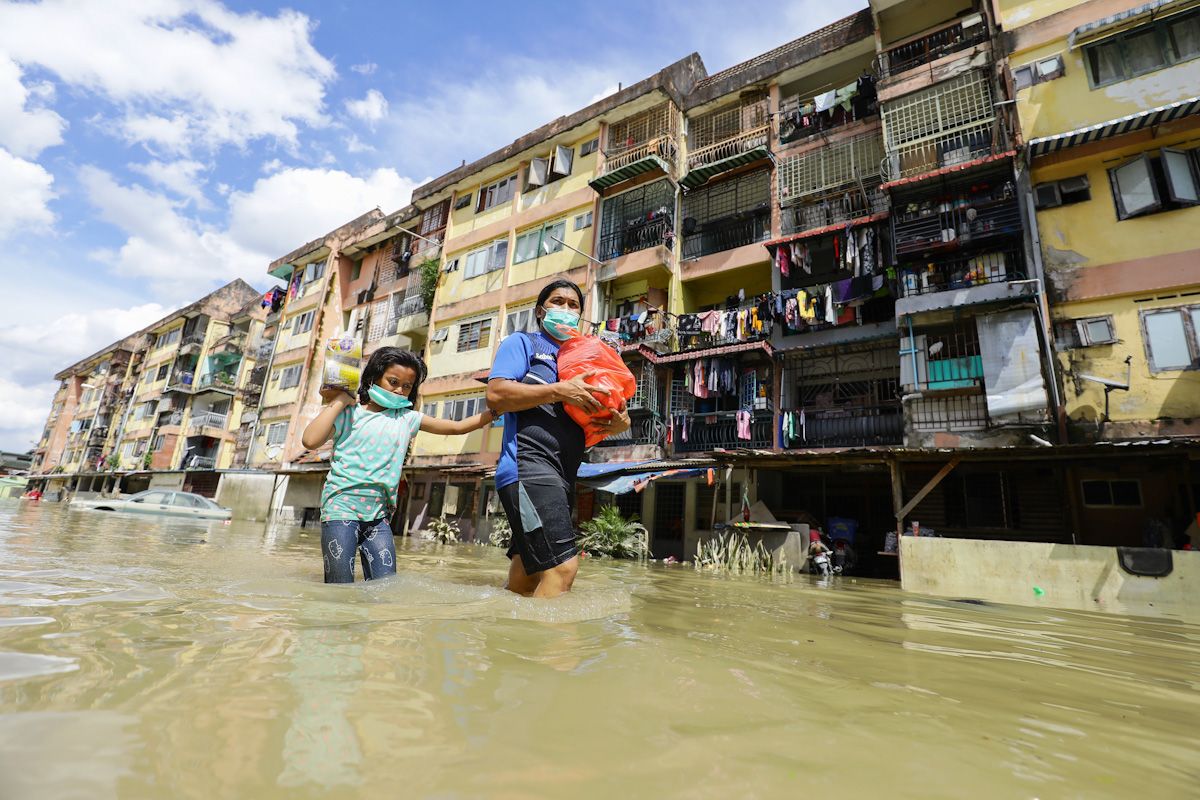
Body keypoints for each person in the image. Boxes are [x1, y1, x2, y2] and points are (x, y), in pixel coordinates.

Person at [486, 279, 631, 598]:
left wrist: (615, 425)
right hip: (528, 467)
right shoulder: (523, 343)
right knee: (563, 568)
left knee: (528, 570)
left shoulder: (586, 358)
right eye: (558, 302)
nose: (566, 309)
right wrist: (559, 390)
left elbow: (578, 429)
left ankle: (506, 641)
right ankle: (551, 648)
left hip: (562, 475)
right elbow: (496, 395)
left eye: (573, 305)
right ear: (541, 311)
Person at [302, 347, 494, 583]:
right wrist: (341, 399)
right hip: (340, 508)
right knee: (338, 586)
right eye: (393, 381)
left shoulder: (407, 419)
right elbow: (310, 440)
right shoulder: (350, 414)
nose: (399, 390)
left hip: (379, 516)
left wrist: (494, 412)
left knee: (386, 587)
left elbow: (456, 427)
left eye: (407, 386)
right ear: (373, 377)